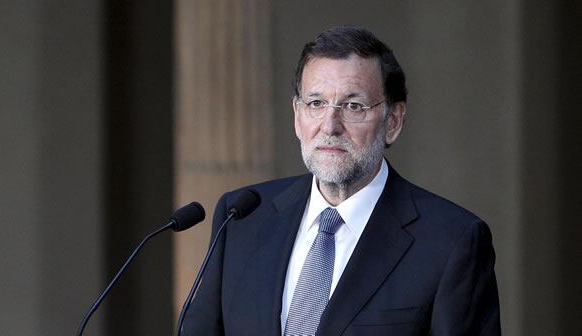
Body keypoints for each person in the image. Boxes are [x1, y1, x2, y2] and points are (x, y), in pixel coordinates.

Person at [182, 25, 500, 335]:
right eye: (316, 104)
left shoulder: (451, 241)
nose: (330, 125)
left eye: (352, 106)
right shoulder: (242, 218)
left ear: (393, 121)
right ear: (297, 115)